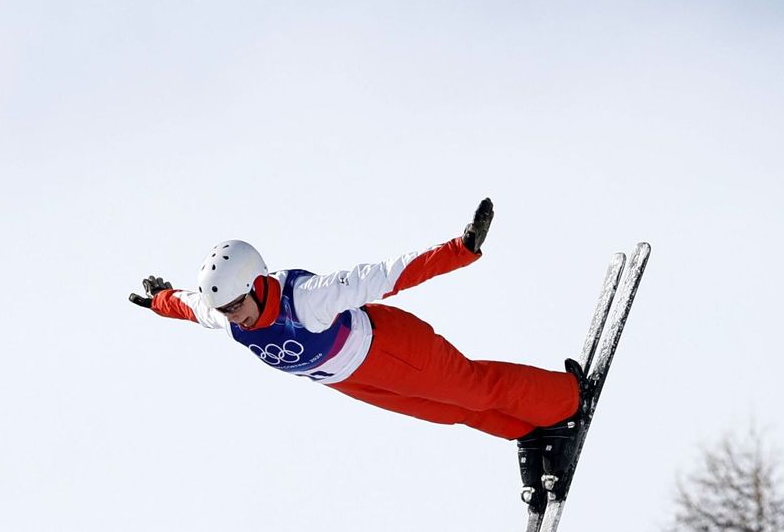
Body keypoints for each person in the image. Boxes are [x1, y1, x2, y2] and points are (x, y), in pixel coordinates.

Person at [128, 198, 589, 505]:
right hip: (352, 380)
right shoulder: (223, 312)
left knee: (472, 387)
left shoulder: (307, 297)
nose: (233, 317)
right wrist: (159, 300)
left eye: (235, 305)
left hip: (391, 350)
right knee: (449, 411)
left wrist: (459, 249)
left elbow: (385, 275)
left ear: (255, 282)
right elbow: (188, 307)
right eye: (223, 309)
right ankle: (529, 429)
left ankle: (565, 401)